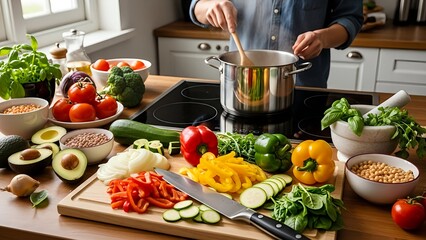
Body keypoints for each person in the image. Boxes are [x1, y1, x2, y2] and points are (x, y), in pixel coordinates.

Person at [189, 0, 364, 88]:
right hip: (239, 88)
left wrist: (322, 38)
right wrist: (210, 6)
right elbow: (197, 7)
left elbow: (350, 18)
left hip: (303, 89)